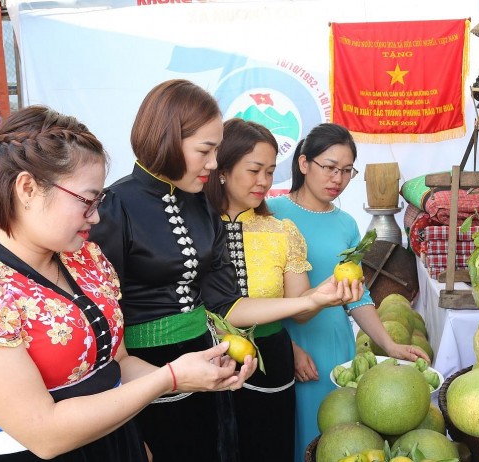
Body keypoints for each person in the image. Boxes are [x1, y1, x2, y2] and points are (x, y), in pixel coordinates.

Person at [0, 105, 255, 462]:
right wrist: (168, 378)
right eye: (87, 201)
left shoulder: (84, 259)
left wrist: (193, 374)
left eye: (98, 201)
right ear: (28, 188)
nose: (95, 217)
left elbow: (116, 365)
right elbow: (45, 434)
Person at [89, 80, 362, 462]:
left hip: (209, 365)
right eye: (205, 150)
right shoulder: (116, 205)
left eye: (216, 150)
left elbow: (227, 305)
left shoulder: (201, 207)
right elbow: (100, 324)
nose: (214, 162)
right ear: (167, 139)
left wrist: (313, 299)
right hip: (145, 375)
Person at [267, 122, 431, 461]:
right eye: (329, 167)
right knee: (295, 436)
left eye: (346, 171)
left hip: (335, 345)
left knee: (338, 436)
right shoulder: (273, 213)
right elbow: (259, 293)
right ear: (303, 163)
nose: (337, 179)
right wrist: (288, 348)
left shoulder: (346, 223)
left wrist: (389, 345)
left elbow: (358, 295)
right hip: (289, 342)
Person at [204, 118, 322, 460]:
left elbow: (300, 310)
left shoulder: (282, 231)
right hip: (206, 361)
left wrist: (328, 295)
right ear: (222, 169)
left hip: (272, 360)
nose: (264, 182)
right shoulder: (194, 228)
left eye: (270, 172)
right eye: (254, 170)